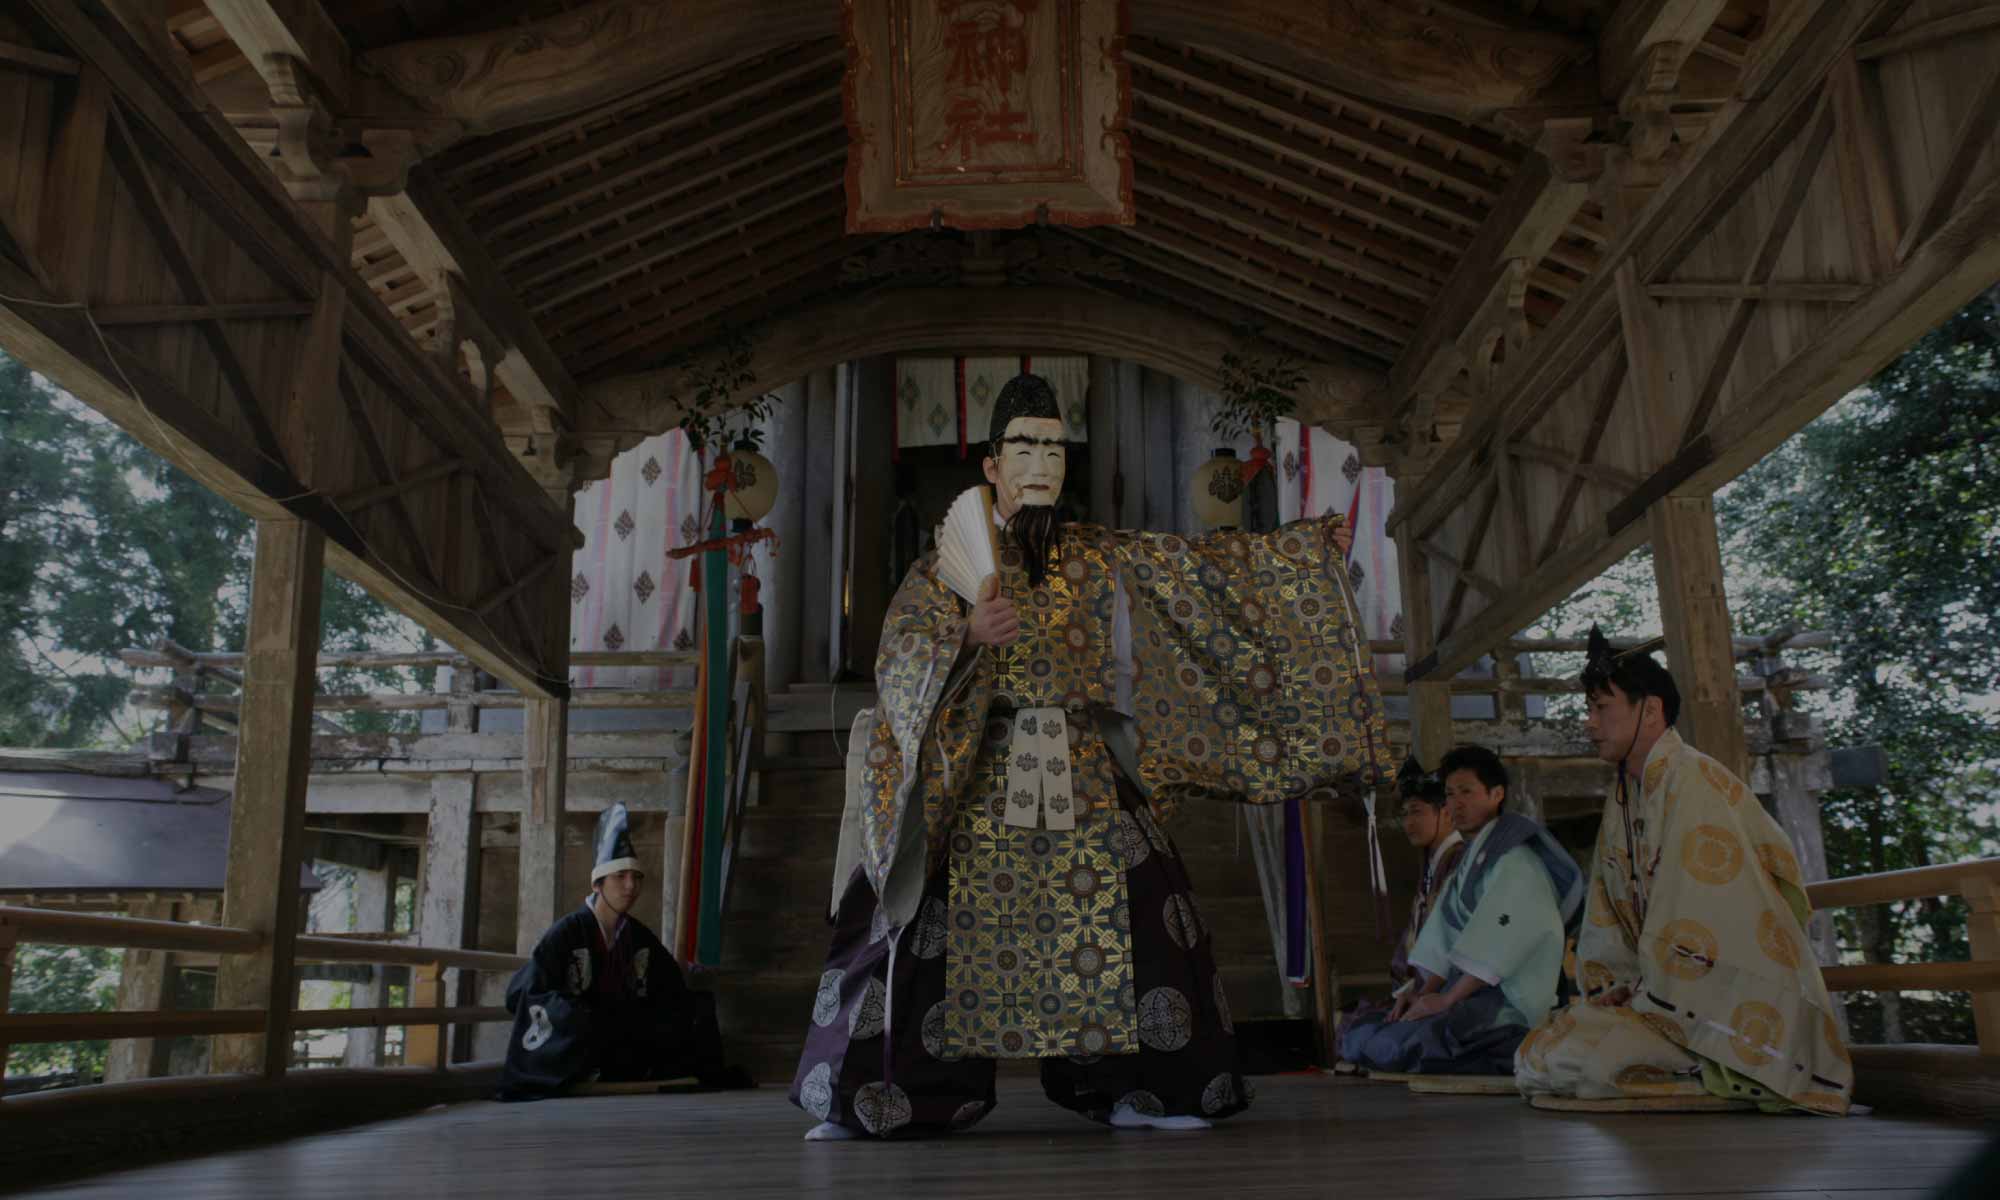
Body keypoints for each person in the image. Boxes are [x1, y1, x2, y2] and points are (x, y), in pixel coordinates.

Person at [791, 372, 1390, 1138]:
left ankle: (1146, 1089)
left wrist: (1301, 552)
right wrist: (965, 636)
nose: (1041, 464)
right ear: (992, 465)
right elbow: (900, 653)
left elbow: (1205, 571)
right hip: (976, 763)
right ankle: (878, 1100)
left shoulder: (1099, 554)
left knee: (1144, 916)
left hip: (1078, 757)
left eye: (1054, 449)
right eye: (1023, 449)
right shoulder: (942, 567)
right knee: (917, 922)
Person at [1513, 628, 1853, 1114]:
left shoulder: (1693, 780)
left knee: (1572, 1063)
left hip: (1723, 1005)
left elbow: (1700, 910)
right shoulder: (1627, 793)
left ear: (1650, 710)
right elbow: (1609, 910)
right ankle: (1678, 1061)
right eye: (1589, 709)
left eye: (1601, 708)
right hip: (1658, 990)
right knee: (1538, 1054)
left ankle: (1721, 1070)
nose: (1590, 723)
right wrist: (1616, 985)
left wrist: (1646, 990)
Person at [1350, 746, 1582, 1075]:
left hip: (1510, 1002)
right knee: (1370, 1034)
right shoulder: (1473, 861)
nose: (1456, 803)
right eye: (1449, 794)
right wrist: (1421, 993)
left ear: (1496, 794)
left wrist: (1445, 1000)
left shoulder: (1516, 863)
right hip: (1471, 994)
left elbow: (1498, 946)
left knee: (1400, 1044)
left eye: (1467, 792)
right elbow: (1443, 936)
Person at [497, 803, 738, 1100]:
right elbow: (526, 992)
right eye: (620, 876)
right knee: (583, 1020)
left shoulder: (638, 936)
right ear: (598, 884)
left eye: (636, 877)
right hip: (583, 1029)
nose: (630, 886)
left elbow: (670, 987)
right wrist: (574, 1011)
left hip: (622, 1030)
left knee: (696, 1007)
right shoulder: (567, 932)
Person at [1336, 756, 1466, 1065]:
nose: (1408, 823)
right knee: (1353, 1033)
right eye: (1404, 814)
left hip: (1452, 991)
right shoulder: (1434, 864)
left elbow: (1452, 942)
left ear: (1446, 813)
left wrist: (1422, 991)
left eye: (1417, 812)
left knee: (1369, 1041)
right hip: (1421, 987)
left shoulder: (1459, 862)